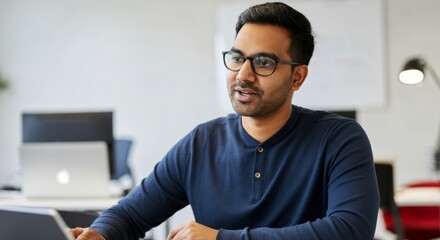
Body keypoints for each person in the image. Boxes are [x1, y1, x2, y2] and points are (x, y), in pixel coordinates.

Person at [71, 2, 379, 240]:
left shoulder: (339, 139)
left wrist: (221, 237)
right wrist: (100, 233)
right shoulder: (201, 143)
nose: (243, 75)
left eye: (263, 63)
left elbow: (350, 230)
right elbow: (130, 215)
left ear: (296, 77)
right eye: (237, 58)